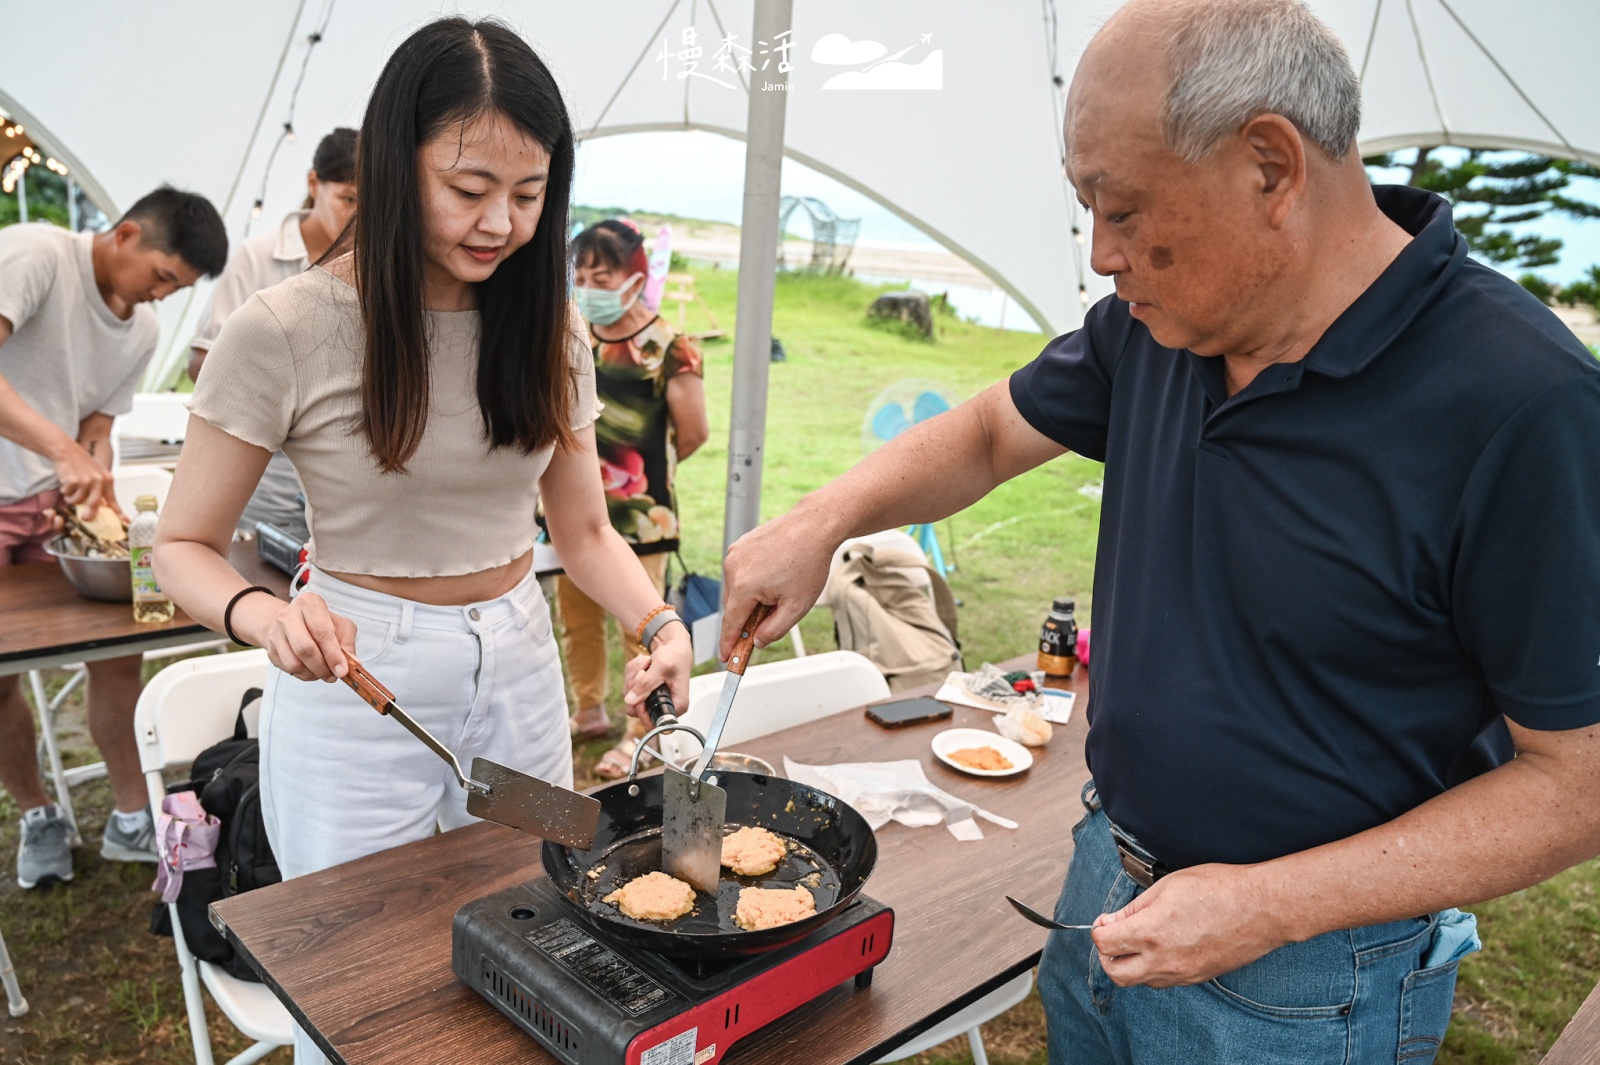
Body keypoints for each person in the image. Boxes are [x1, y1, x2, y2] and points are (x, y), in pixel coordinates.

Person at [710, 1, 1600, 1062]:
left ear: (1269, 167)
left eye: (1121, 210)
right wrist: (821, 519)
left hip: (1308, 973)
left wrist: (1272, 904)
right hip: (1107, 869)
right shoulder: (1165, 327)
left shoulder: (1522, 403)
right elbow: (995, 431)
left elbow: (1575, 781)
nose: (1100, 255)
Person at [151, 19, 691, 1063]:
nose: (500, 223)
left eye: (529, 196)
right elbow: (182, 543)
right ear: (398, 165)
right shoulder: (288, 327)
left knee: (540, 924)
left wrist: (656, 616)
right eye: (469, 187)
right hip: (357, 681)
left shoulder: (547, 327)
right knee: (357, 986)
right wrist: (266, 616)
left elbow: (581, 531)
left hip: (519, 668)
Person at [0, 187, 228, 888]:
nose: (161, 297)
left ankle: (132, 815)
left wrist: (92, 473)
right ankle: (38, 811)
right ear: (126, 234)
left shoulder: (144, 331)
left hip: (49, 506)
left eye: (176, 290)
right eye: (162, 276)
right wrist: (62, 453)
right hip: (23, 484)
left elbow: (96, 428)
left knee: (116, 654)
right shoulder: (38, 254)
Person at [563, 218, 708, 778]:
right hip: (569, 509)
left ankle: (639, 733)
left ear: (635, 275)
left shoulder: (672, 347)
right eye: (582, 273)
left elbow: (692, 433)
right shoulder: (574, 336)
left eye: (604, 273)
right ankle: (589, 709)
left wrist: (644, 479)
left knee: (641, 626)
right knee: (576, 616)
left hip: (640, 513)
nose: (591, 284)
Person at [187, 127, 359, 543]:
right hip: (269, 470)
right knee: (267, 577)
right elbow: (200, 362)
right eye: (349, 199)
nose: (360, 215)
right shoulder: (258, 257)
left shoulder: (380, 265)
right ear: (314, 183)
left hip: (348, 476)